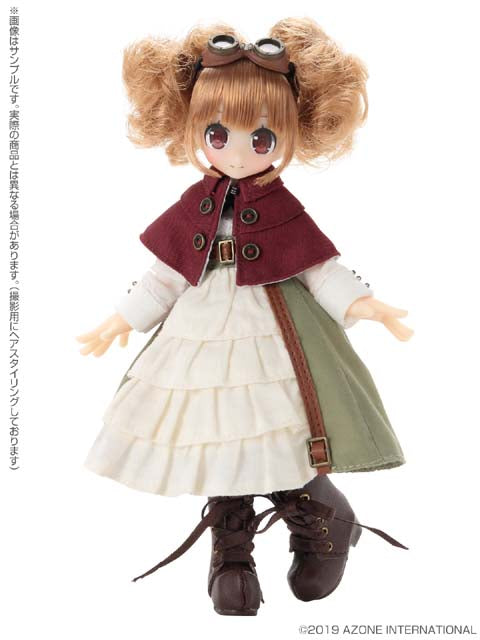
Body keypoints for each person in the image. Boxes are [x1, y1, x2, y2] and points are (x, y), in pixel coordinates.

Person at [77, 18, 413, 616]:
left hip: (274, 327)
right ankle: (231, 549)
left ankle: (321, 514)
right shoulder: (195, 206)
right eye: (217, 134)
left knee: (278, 422)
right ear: (189, 128)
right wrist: (121, 319)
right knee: (216, 425)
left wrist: (362, 302)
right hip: (200, 330)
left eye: (261, 138)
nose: (237, 152)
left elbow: (318, 267)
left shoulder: (280, 207)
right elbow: (165, 275)